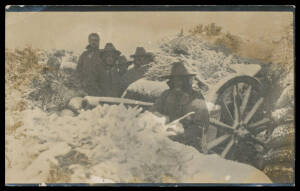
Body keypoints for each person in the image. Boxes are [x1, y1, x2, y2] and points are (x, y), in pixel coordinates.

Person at [151, 62, 210, 153]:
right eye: (175, 80)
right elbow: (153, 113)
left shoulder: (195, 96)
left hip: (189, 145)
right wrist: (160, 122)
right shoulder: (166, 95)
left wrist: (181, 135)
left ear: (187, 81)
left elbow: (201, 124)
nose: (177, 83)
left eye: (181, 80)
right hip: (165, 140)